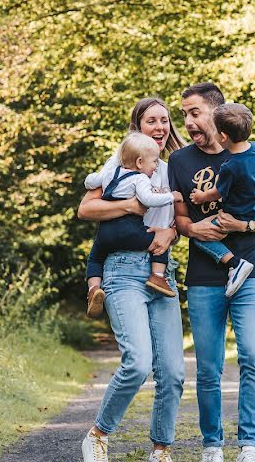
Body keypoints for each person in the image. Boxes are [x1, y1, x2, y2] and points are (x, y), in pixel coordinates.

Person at [168, 83, 255, 462]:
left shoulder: (250, 153)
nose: (188, 121)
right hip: (204, 277)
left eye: (194, 112)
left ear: (217, 114)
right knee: (208, 367)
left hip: (252, 274)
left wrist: (243, 228)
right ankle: (212, 446)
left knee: (252, 357)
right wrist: (192, 229)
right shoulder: (179, 162)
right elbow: (180, 218)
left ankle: (248, 445)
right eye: (183, 114)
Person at [77, 97, 187, 462]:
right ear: (137, 127)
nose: (159, 127)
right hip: (123, 269)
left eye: (165, 121)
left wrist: (172, 233)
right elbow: (86, 208)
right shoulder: (120, 163)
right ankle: (98, 434)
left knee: (172, 372)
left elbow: (184, 216)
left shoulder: (175, 167)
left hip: (162, 272)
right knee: (138, 363)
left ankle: (161, 449)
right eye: (151, 121)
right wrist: (129, 205)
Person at [189, 102, 255, 297]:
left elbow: (216, 193)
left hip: (235, 215)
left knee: (199, 237)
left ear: (224, 137)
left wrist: (201, 197)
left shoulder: (230, 167)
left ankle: (235, 264)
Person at [83, 132, 185, 318]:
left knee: (95, 257)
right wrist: (172, 196)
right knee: (159, 243)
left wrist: (92, 179)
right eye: (153, 162)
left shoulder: (110, 172)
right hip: (129, 230)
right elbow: (148, 199)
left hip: (106, 231)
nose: (155, 166)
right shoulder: (140, 178)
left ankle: (94, 289)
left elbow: (91, 181)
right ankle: (158, 277)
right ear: (139, 163)